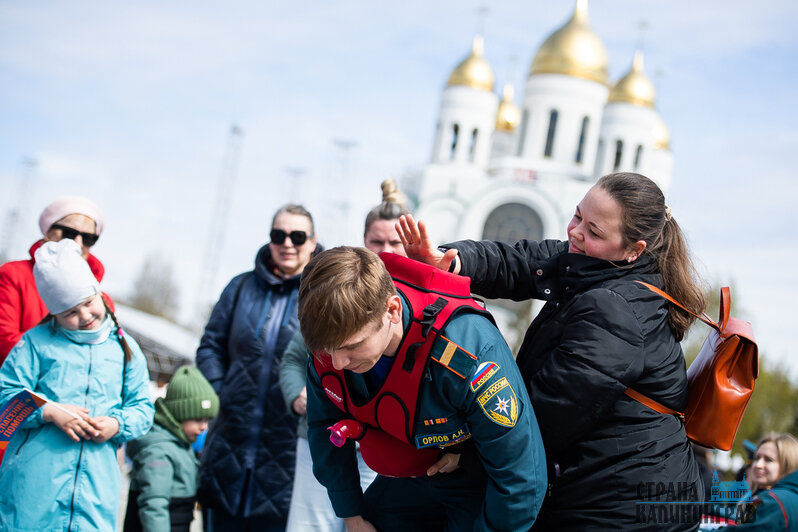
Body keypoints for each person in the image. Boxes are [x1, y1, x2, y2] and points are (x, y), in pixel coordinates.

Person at [397, 172, 707, 530]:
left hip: (626, 507)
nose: (575, 231)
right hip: (609, 488)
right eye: (578, 216)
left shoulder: (617, 310)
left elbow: (551, 408)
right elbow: (518, 261)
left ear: (633, 250)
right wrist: (450, 261)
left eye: (594, 231)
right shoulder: (591, 265)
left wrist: (467, 455)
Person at [298, 246, 547, 532]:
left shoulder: (467, 351)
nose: (338, 363)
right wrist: (351, 515)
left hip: (475, 478)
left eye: (352, 347)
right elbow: (323, 428)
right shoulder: (331, 342)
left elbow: (520, 479)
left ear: (391, 310)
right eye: (328, 350)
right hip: (407, 479)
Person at [278, 179, 407, 531]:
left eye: (395, 242)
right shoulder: (341, 289)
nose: (386, 250)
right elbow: (293, 358)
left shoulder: (417, 302)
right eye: (376, 242)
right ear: (364, 242)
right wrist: (299, 394)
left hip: (384, 445)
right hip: (324, 438)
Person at [0, 239, 153, 531]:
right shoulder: (35, 344)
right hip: (34, 492)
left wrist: (117, 424)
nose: (84, 316)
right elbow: (4, 399)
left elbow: (142, 408)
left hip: (96, 493)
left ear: (99, 293)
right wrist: (49, 411)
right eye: (70, 312)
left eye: (87, 303)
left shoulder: (124, 348)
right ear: (54, 315)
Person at [196, 204, 321, 531]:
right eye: (279, 235)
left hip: (287, 447)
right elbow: (210, 345)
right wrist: (223, 391)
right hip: (229, 441)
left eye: (297, 236)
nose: (287, 244)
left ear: (312, 241)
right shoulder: (239, 287)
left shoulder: (322, 295)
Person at [0, 195, 111, 363]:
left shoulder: (103, 302)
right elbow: (4, 340)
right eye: (69, 234)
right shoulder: (13, 275)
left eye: (88, 238)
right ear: (47, 233)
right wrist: (63, 368)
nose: (78, 243)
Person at [124, 365, 220, 532]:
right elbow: (154, 504)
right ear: (180, 414)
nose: (204, 427)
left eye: (207, 421)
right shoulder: (159, 451)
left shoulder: (181, 444)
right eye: (198, 420)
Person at [734, 433, 798, 529]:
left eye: (768, 460)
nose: (758, 465)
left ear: (788, 464)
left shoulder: (773, 501)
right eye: (757, 458)